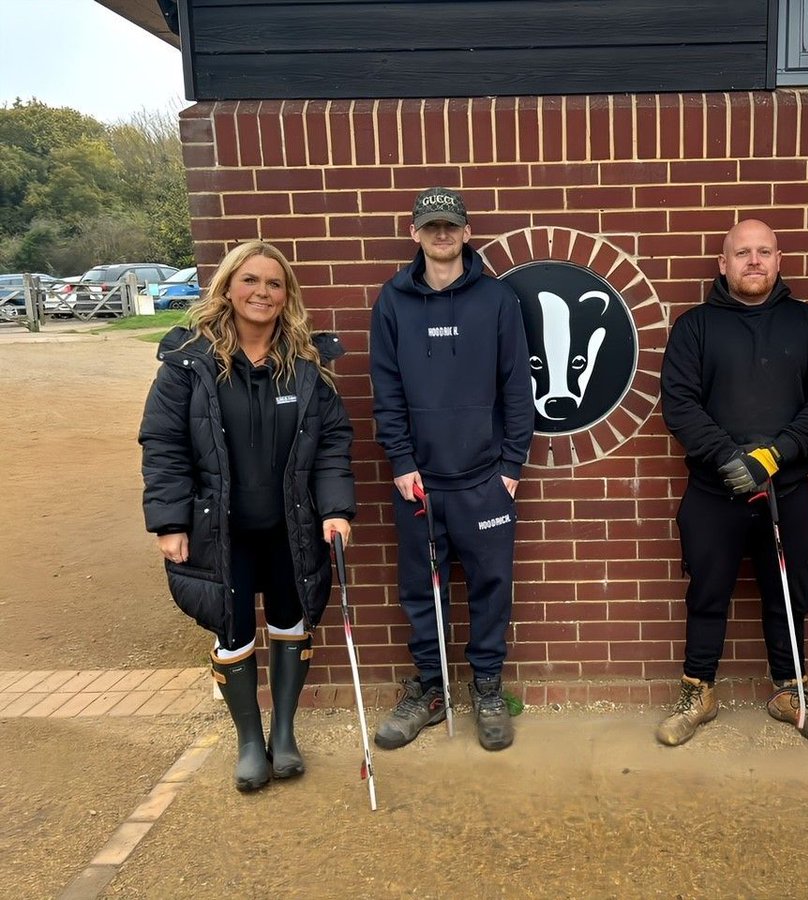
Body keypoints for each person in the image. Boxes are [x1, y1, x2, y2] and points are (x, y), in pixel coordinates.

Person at [139, 240, 356, 793]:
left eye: (275, 283)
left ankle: (284, 734)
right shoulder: (189, 364)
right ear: (228, 287)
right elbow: (163, 445)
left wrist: (335, 509)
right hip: (219, 530)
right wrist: (170, 521)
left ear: (288, 296)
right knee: (233, 631)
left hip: (291, 527)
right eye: (251, 280)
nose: (263, 292)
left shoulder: (306, 366)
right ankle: (249, 741)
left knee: (292, 620)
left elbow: (332, 444)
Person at [657, 218, 808, 748]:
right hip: (712, 492)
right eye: (742, 253)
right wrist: (728, 457)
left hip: (786, 493)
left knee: (787, 591)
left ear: (779, 259)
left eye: (764, 251)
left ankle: (791, 693)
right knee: (707, 592)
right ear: (724, 264)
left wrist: (773, 455)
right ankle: (698, 694)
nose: (754, 261)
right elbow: (680, 403)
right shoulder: (694, 327)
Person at [370, 187, 534, 752]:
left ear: (467, 233)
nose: (442, 235)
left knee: (492, 587)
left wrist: (511, 465)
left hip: (487, 480)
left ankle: (487, 687)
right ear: (415, 233)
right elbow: (385, 390)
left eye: (451, 226)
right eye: (431, 226)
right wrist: (401, 460)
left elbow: (517, 387)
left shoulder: (496, 299)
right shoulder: (392, 301)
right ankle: (432, 689)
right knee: (421, 589)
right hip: (418, 481)